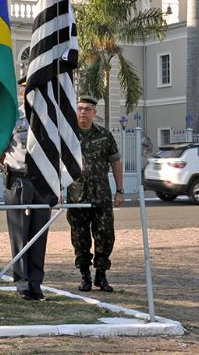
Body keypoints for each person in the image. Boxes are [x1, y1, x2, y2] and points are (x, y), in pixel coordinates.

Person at [66, 95, 125, 293]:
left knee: (105, 236)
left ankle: (101, 275)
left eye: (87, 109)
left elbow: (115, 162)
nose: (83, 112)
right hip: (77, 197)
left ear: (94, 113)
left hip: (101, 198)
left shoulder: (105, 136)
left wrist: (120, 190)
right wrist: (57, 189)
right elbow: (57, 163)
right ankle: (85, 276)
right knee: (80, 239)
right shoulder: (68, 135)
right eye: (80, 108)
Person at [1, 77, 51, 301]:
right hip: (19, 180)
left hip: (43, 181)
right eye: (28, 90)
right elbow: (1, 149)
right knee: (20, 234)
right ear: (22, 93)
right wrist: (12, 166)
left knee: (39, 234)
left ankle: (36, 283)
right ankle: (22, 285)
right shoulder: (13, 116)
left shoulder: (51, 118)